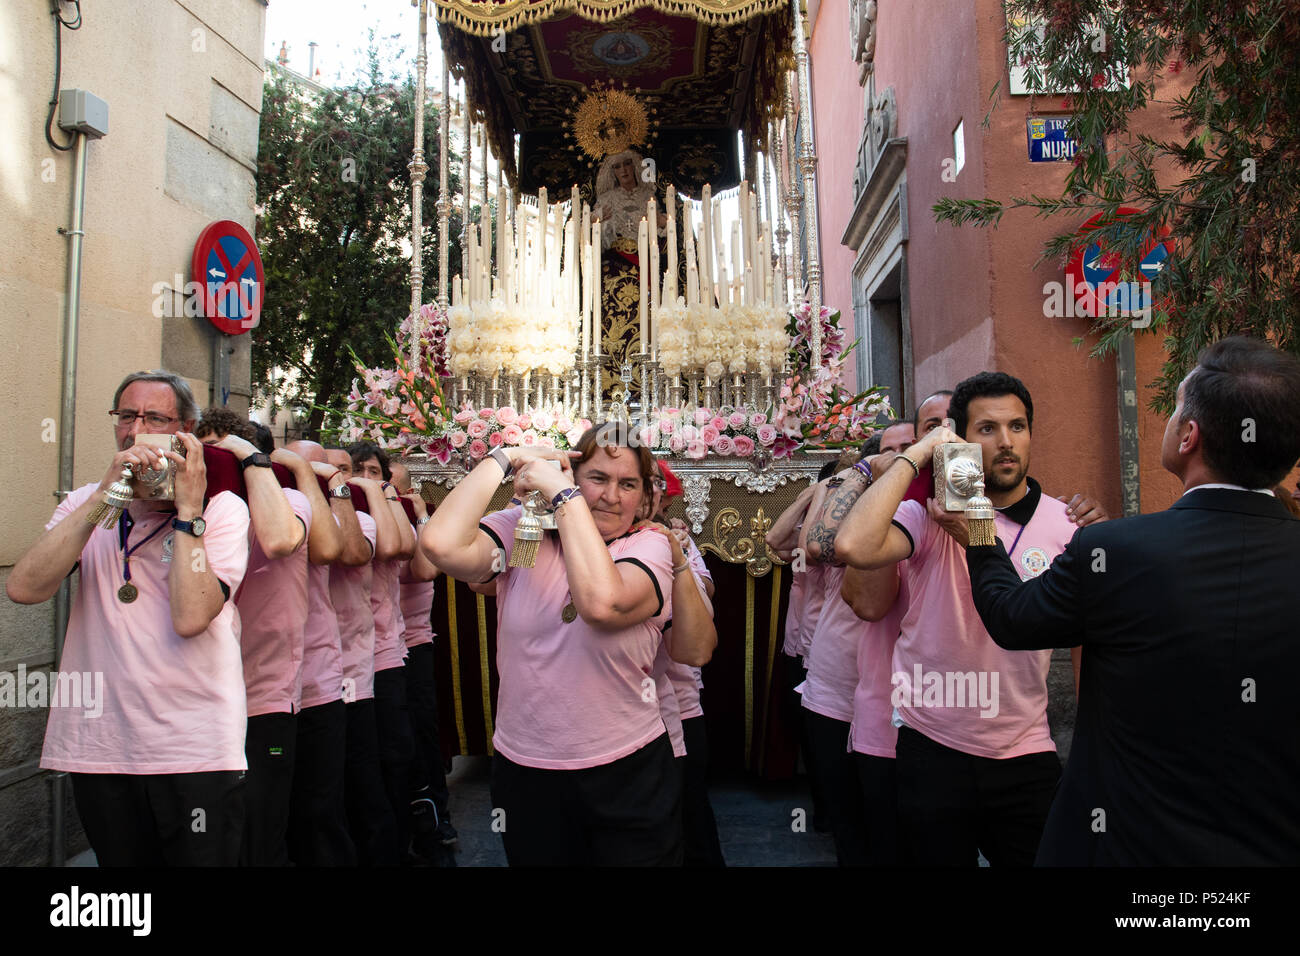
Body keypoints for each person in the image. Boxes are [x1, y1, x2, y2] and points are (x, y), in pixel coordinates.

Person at [965, 337, 1300, 865]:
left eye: (1174, 409)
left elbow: (1012, 618)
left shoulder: (1115, 551)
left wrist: (978, 530)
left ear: (1189, 436)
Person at [831, 372, 1083, 866]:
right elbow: (851, 545)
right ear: (960, 442)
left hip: (1025, 750)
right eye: (987, 429)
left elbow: (1087, 641)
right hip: (932, 748)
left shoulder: (1065, 523)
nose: (1007, 442)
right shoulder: (928, 517)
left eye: (1018, 426)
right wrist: (917, 454)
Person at [8, 371, 250, 865]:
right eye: (127, 416)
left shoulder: (222, 510)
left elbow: (191, 615)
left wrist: (187, 508)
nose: (137, 430)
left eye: (155, 418)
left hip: (194, 748)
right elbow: (24, 588)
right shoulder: (86, 503)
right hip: (100, 746)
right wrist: (104, 496)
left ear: (185, 430)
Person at [421, 424, 682, 866]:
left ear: (644, 497)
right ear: (574, 474)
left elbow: (602, 602)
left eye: (628, 484)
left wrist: (565, 498)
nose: (612, 497)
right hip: (526, 768)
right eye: (597, 478)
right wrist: (505, 458)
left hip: (624, 771)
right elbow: (440, 544)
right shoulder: (527, 534)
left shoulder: (648, 544)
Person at [195, 410, 314, 867]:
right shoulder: (192, 504)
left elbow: (281, 539)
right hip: (201, 698)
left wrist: (249, 459)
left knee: (259, 832)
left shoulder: (287, 499)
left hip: (264, 698)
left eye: (219, 453)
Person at [801, 421, 915, 865]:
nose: (907, 455)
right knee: (849, 826)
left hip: (904, 699)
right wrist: (867, 470)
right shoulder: (853, 515)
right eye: (893, 449)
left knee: (900, 827)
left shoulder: (938, 514)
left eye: (914, 446)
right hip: (836, 690)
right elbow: (817, 546)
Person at [284, 439, 363, 866]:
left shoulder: (346, 511)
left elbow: (345, 552)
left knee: (320, 813)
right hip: (260, 691)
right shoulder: (262, 498)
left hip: (321, 682)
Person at [324, 445, 402, 865]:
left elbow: (388, 550)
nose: (350, 478)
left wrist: (376, 493)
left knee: (370, 777)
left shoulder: (365, 519)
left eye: (347, 471)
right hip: (304, 679)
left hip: (361, 666)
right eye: (346, 470)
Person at [643, 460, 723, 866]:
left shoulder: (676, 542)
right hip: (623, 714)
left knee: (689, 810)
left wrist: (678, 559)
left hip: (679, 699)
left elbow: (704, 601)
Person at [388, 460, 459, 862]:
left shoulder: (420, 525)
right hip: (371, 652)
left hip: (413, 645)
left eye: (396, 488)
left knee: (423, 737)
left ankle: (436, 816)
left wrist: (418, 517)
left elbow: (427, 569)